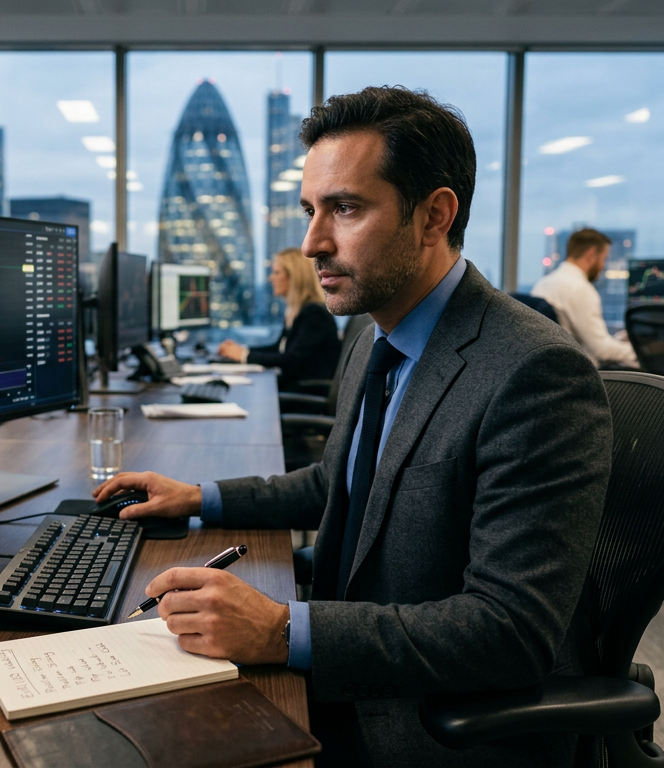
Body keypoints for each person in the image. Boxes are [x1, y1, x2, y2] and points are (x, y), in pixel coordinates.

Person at [95, 86, 612, 768]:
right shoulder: (376, 339)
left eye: (345, 208)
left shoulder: (534, 372)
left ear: (434, 215)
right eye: (312, 210)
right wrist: (197, 497)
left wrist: (283, 628)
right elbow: (331, 483)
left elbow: (509, 631)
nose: (312, 242)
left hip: (424, 724)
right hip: (346, 666)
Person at [217, 248, 340, 390]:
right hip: (294, 386)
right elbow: (278, 348)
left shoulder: (314, 313)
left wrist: (244, 355)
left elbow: (291, 359)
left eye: (276, 273)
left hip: (304, 392)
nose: (271, 278)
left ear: (294, 277)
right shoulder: (296, 310)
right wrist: (240, 351)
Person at [532, 227, 639, 369]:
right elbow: (603, 351)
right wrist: (643, 351)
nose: (603, 266)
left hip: (550, 368)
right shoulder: (580, 289)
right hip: (582, 375)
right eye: (604, 259)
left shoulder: (543, 283)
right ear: (591, 254)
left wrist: (616, 340)